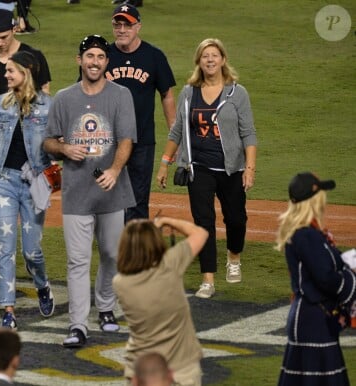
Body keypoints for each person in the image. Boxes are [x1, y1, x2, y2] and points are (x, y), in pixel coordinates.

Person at [43, 34, 136, 347]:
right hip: (77, 194)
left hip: (112, 191)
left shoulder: (121, 95)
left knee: (111, 253)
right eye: (89, 56)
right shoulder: (64, 98)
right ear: (79, 60)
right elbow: (48, 142)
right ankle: (78, 325)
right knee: (78, 261)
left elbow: (126, 140)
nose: (94, 62)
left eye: (100, 57)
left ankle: (106, 306)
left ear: (106, 62)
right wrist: (64, 148)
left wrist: (114, 170)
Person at [156, 38, 257, 299]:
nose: (210, 60)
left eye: (214, 55)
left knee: (236, 219)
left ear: (223, 59)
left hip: (231, 169)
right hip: (198, 167)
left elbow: (248, 133)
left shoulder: (238, 93)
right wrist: (165, 163)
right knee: (204, 223)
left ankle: (233, 257)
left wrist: (250, 168)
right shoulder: (189, 93)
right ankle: (208, 280)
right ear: (198, 62)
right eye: (205, 56)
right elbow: (178, 129)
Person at [0, 8, 51, 293]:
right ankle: (1, 282)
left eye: (3, 36)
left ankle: (39, 280)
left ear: (14, 29)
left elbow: (46, 101)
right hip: (0, 156)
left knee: (31, 246)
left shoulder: (32, 58)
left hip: (32, 166)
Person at [0, 51, 54, 329]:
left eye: (11, 71)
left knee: (32, 251)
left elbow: (56, 146)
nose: (6, 75)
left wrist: (54, 173)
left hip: (34, 185)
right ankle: (8, 311)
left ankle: (42, 285)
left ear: (26, 72)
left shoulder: (48, 107)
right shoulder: (0, 104)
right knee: (5, 248)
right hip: (4, 181)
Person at [275, 172, 356, 386]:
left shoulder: (307, 233)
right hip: (313, 320)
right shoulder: (306, 236)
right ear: (313, 199)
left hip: (311, 318)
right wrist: (351, 276)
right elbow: (327, 279)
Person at [113, 216, 208, 385]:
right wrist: (167, 221)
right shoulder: (169, 265)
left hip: (140, 366)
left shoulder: (120, 283)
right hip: (181, 367)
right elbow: (200, 233)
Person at [105, 3, 176, 222]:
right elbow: (84, 92)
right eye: (118, 24)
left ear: (138, 27)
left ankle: (135, 249)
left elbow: (167, 95)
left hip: (142, 140)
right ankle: (112, 244)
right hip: (107, 140)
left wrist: (175, 133)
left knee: (138, 199)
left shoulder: (154, 56)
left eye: (128, 24)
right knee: (106, 196)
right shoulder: (102, 55)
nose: (122, 29)